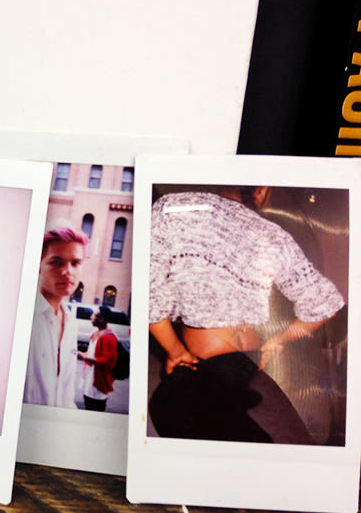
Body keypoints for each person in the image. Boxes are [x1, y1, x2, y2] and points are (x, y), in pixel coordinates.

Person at [148, 187, 345, 443]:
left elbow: (149, 292)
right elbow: (324, 302)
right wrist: (279, 341)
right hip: (248, 361)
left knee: (168, 407)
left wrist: (175, 351)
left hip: (206, 359)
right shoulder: (274, 234)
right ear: (261, 191)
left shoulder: (172, 208)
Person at [24, 225, 88, 407]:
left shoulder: (70, 321)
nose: (68, 271)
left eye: (75, 263)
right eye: (57, 262)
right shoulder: (27, 317)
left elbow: (66, 393)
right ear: (39, 265)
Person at [78, 306, 118, 412]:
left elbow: (108, 362)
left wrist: (85, 358)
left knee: (95, 408)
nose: (91, 317)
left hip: (99, 384)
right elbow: (90, 353)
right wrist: (81, 354)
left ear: (101, 319)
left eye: (94, 315)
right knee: (87, 404)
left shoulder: (109, 337)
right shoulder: (94, 334)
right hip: (89, 380)